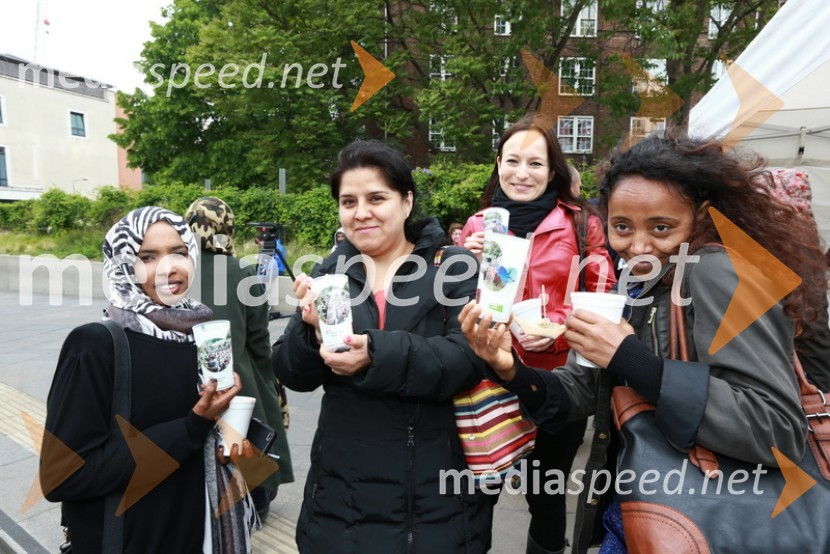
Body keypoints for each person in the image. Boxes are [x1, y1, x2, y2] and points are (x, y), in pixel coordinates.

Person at [459, 133, 829, 552]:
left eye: (661, 227)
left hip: (714, 517)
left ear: (702, 215)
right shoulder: (641, 279)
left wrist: (632, 359)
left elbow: (775, 428)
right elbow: (587, 390)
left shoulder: (718, 272)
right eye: (622, 227)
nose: (637, 246)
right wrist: (509, 367)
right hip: (647, 505)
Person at [273, 140, 494, 552]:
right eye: (348, 201)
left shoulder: (453, 267)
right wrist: (308, 332)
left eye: (377, 198)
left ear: (406, 201)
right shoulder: (328, 273)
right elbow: (292, 374)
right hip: (343, 497)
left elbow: (466, 359)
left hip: (432, 498)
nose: (361, 213)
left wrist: (373, 354)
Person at [41, 206, 258, 553]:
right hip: (129, 540)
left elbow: (202, 448)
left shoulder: (199, 336)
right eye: (148, 256)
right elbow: (63, 475)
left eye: (179, 252)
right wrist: (192, 427)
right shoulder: (96, 345)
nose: (169, 267)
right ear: (124, 263)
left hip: (198, 533)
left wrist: (228, 440)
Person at [460, 114, 615, 554]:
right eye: (513, 161)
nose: (522, 173)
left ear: (553, 171)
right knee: (479, 490)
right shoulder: (478, 225)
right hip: (487, 379)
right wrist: (460, 260)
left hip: (557, 382)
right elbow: (456, 303)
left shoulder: (582, 224)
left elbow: (600, 292)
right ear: (498, 164)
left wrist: (561, 329)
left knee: (546, 492)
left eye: (535, 163)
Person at [185, 197, 295, 522]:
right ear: (227, 229)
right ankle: (256, 503)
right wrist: (268, 385)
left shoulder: (173, 270)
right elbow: (259, 343)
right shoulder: (245, 274)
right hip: (235, 380)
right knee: (249, 442)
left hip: (186, 382)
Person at [759, 168, 830, 391]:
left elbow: (812, 327)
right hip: (804, 373)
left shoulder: (786, 247)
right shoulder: (806, 243)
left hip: (797, 381)